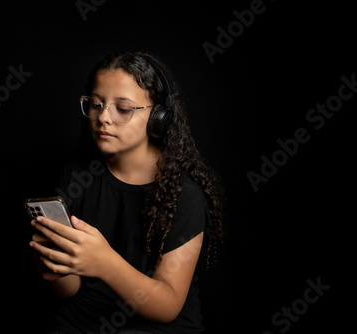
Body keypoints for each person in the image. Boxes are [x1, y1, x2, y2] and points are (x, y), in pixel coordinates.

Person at [29, 51, 224, 334]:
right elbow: (68, 291)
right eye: (96, 104)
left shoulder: (187, 196)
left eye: (123, 108)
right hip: (82, 322)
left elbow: (167, 306)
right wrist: (54, 266)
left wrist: (104, 262)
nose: (103, 117)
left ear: (158, 118)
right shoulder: (77, 176)